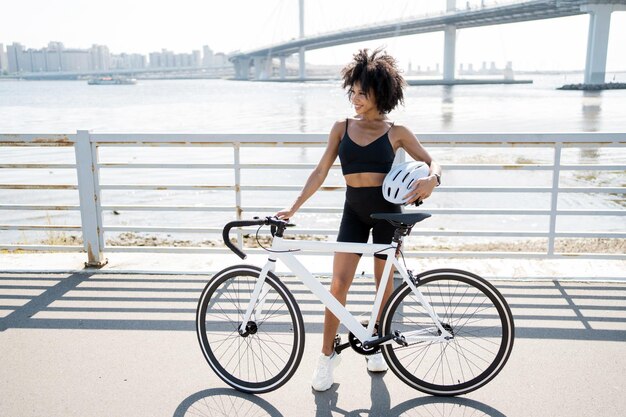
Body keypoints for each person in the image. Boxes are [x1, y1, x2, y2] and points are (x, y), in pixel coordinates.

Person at [276, 48, 442, 392]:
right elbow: (321, 171)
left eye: (361, 93)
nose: (354, 98)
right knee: (338, 286)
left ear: (380, 92)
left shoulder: (397, 131)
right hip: (353, 212)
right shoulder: (341, 127)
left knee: (384, 284)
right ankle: (326, 358)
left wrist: (432, 180)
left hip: (387, 215)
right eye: (351, 91)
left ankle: (376, 344)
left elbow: (431, 161)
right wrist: (293, 207)